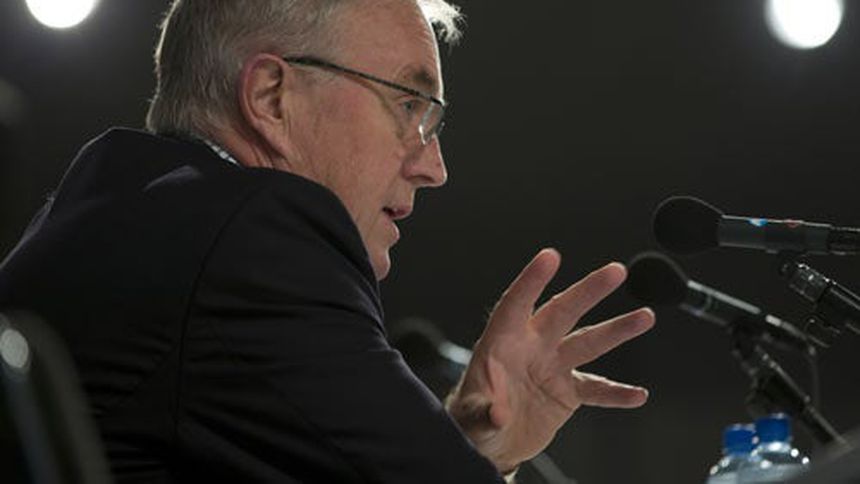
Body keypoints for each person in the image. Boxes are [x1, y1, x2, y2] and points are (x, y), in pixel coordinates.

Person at [0, 0, 655, 482]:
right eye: (409, 106)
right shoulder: (251, 241)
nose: (434, 167)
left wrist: (475, 449)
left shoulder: (120, 209)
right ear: (271, 97)